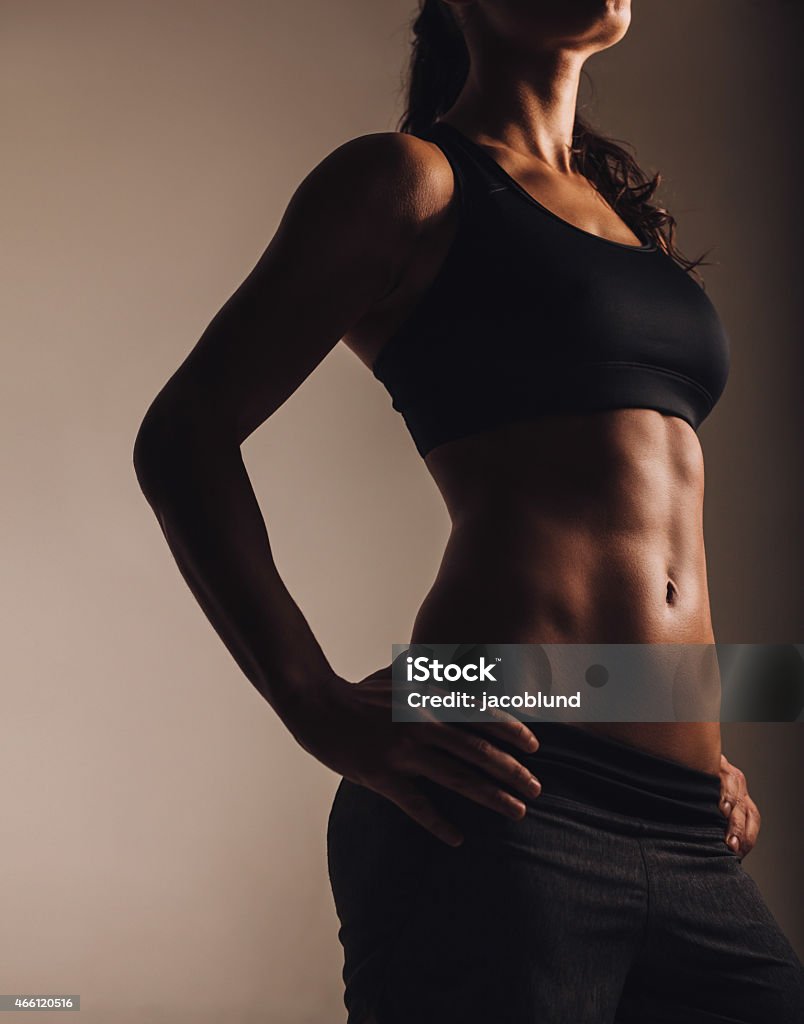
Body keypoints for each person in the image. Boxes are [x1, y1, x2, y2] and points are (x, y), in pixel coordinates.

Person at [132, 0, 803, 1020]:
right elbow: (182, 436)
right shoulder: (411, 181)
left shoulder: (622, 218)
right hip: (500, 790)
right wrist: (313, 703)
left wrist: (692, 740)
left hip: (686, 821)